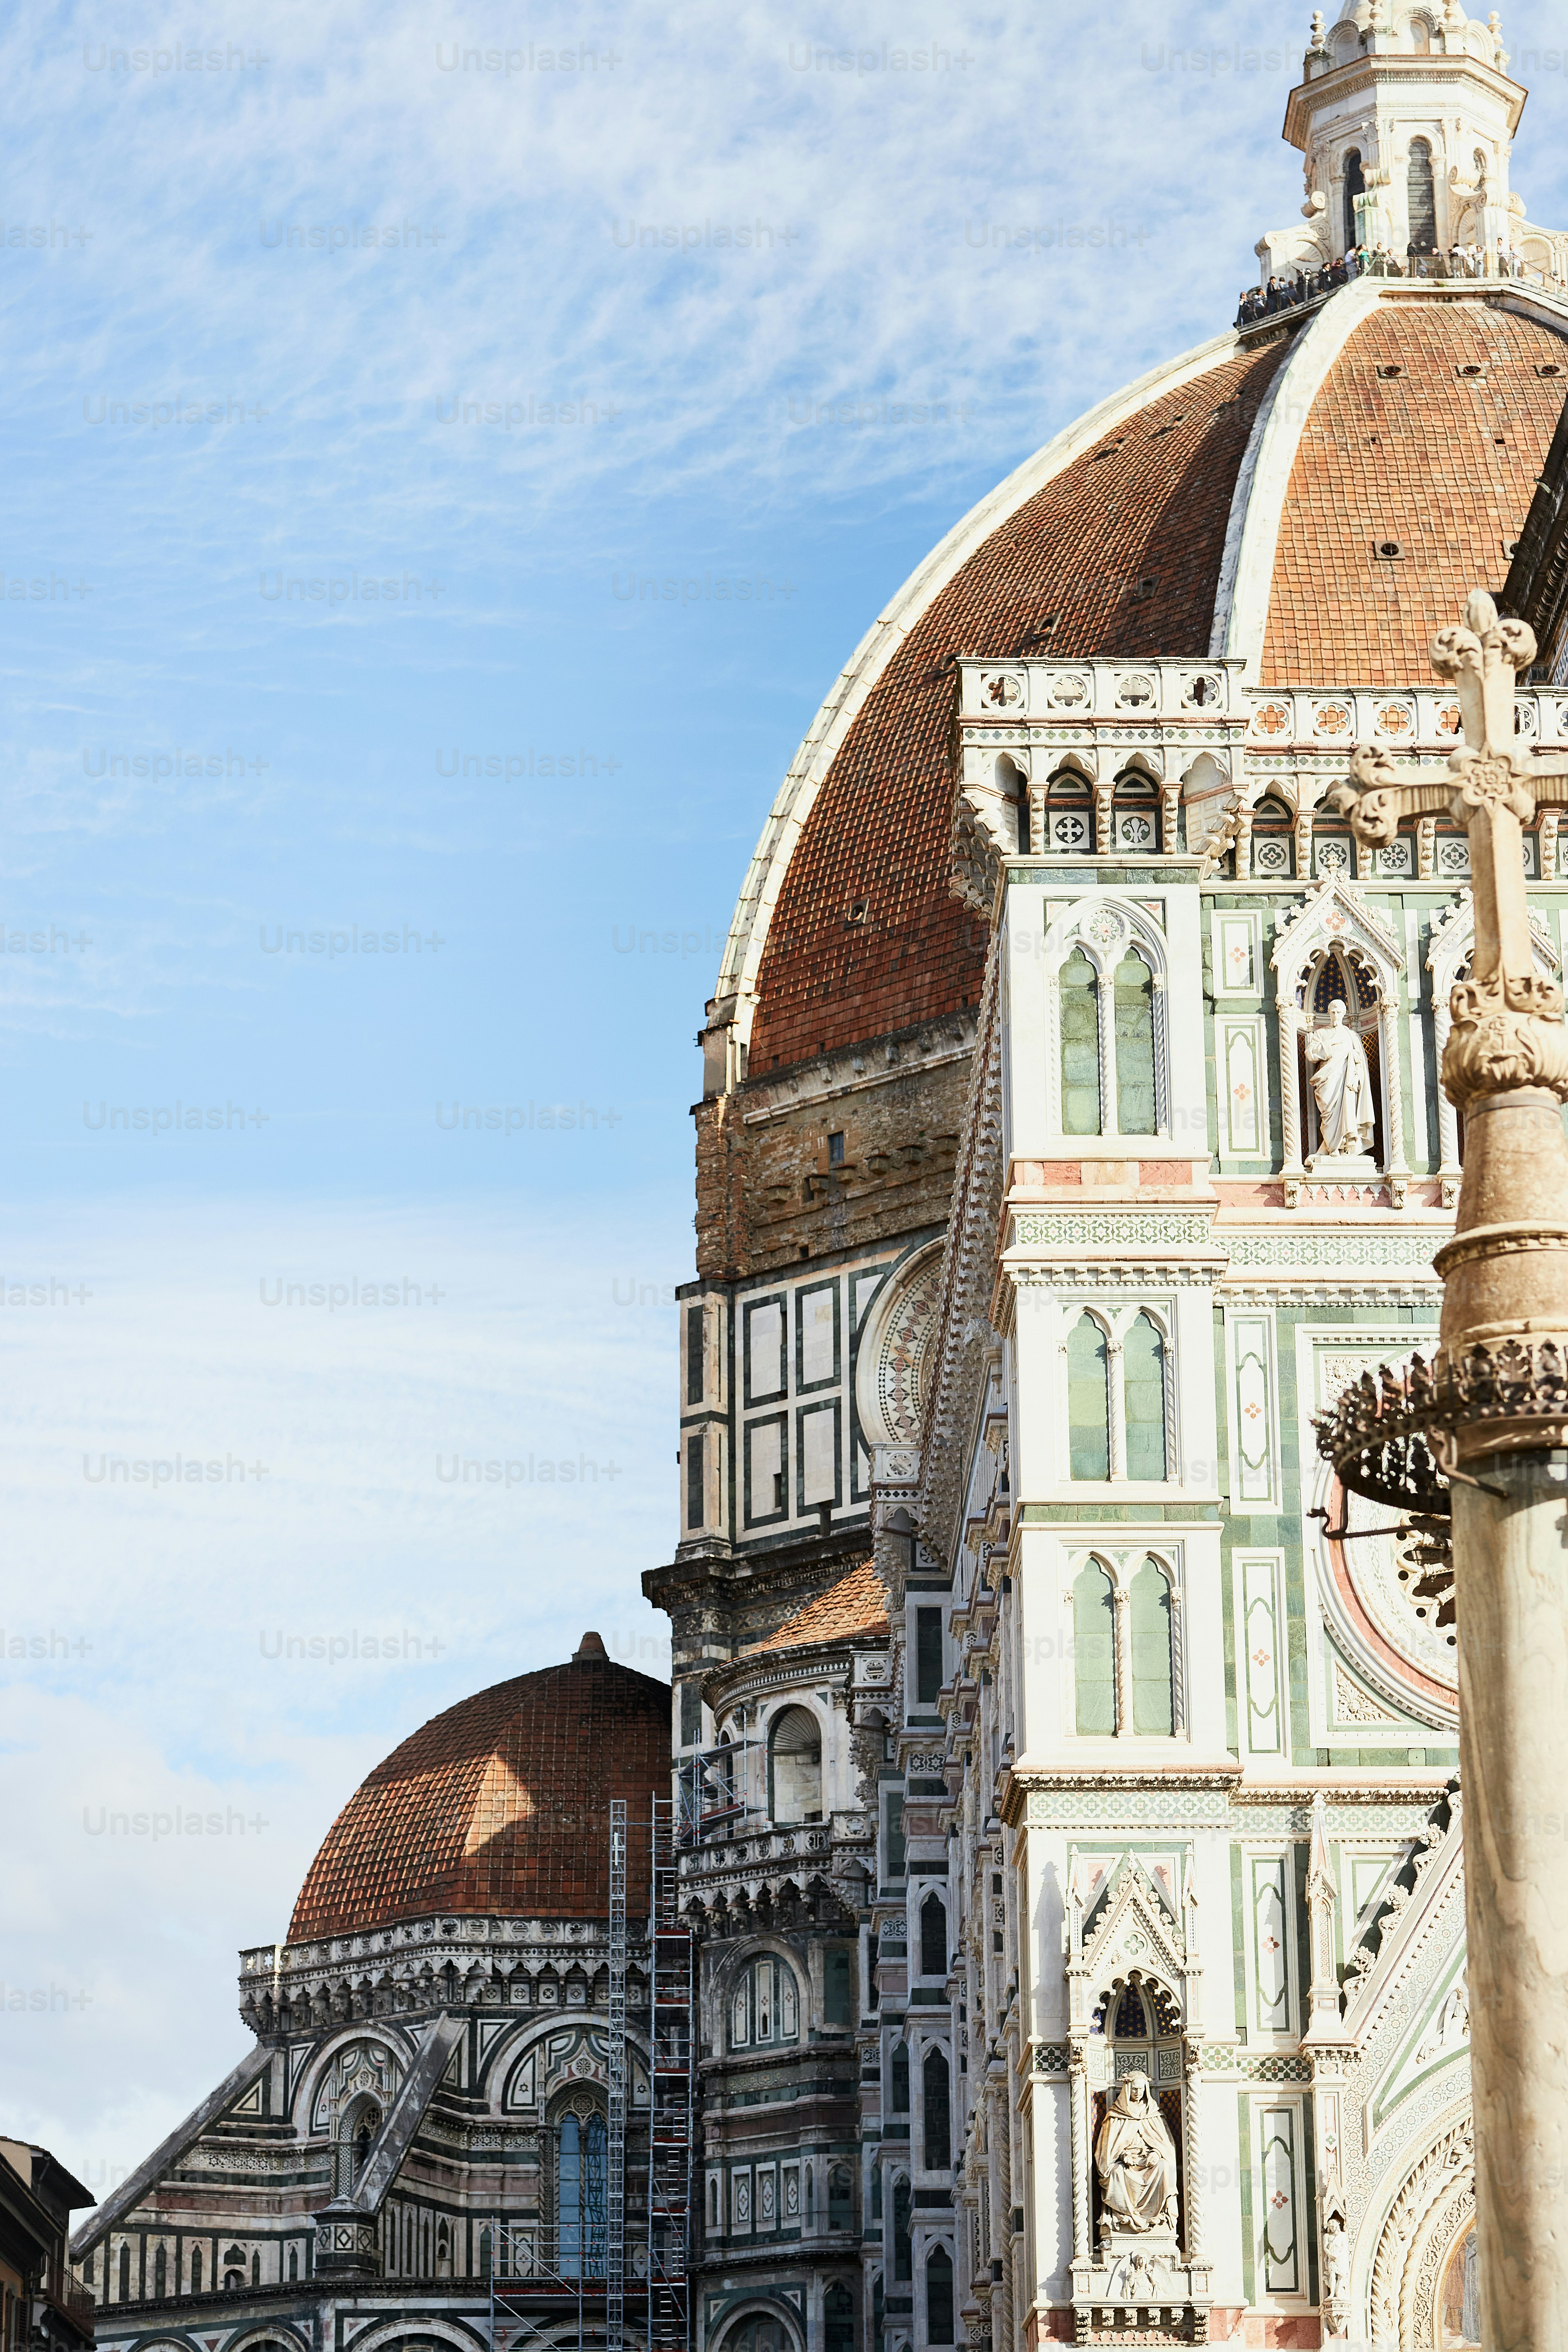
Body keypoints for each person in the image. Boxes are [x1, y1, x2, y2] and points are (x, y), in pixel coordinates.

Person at [1095, 2071, 1179, 2234]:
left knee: (1164, 2167)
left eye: (1141, 2089)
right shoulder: (1116, 2115)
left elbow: (1166, 2145)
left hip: (1150, 2162)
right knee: (1116, 2172)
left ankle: (1157, 2217)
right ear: (1127, 2090)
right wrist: (1123, 2155)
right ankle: (1123, 2217)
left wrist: (1156, 2153)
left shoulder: (1154, 2114)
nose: (1138, 2093)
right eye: (1134, 2089)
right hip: (1126, 2163)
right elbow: (1107, 2150)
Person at [1300, 999, 1376, 1158]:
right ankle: (1331, 1147)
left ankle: (1347, 1146)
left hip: (1348, 1082)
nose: (1336, 1015)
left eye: (1339, 1012)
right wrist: (1330, 1044)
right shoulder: (1321, 1034)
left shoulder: (1352, 1035)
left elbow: (1361, 1060)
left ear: (1344, 1014)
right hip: (1328, 1081)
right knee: (1329, 1114)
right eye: (1333, 1012)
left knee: (1348, 1111)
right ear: (1329, 1013)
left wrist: (1356, 1066)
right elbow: (1310, 1053)